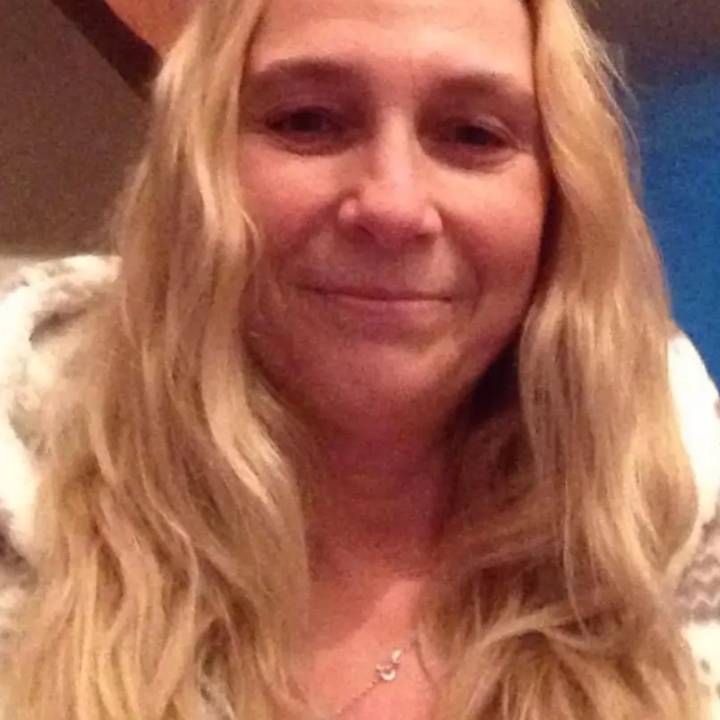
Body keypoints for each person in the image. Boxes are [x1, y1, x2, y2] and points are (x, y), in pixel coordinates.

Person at [0, 0, 719, 718]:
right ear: (197, 167)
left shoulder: (670, 491)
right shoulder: (23, 478)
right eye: (308, 121)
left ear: (560, 195)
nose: (393, 207)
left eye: (473, 134)